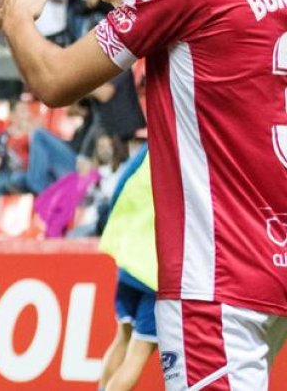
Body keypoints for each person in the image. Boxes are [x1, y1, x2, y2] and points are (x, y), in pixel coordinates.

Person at [3, 0, 287, 389]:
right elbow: (201, 38)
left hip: (212, 274)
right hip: (276, 265)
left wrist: (15, 17)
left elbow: (53, 80)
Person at [98, 146, 158, 391]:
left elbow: (120, 186)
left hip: (130, 259)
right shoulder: (193, 156)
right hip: (157, 271)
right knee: (137, 355)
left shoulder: (150, 149)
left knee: (121, 338)